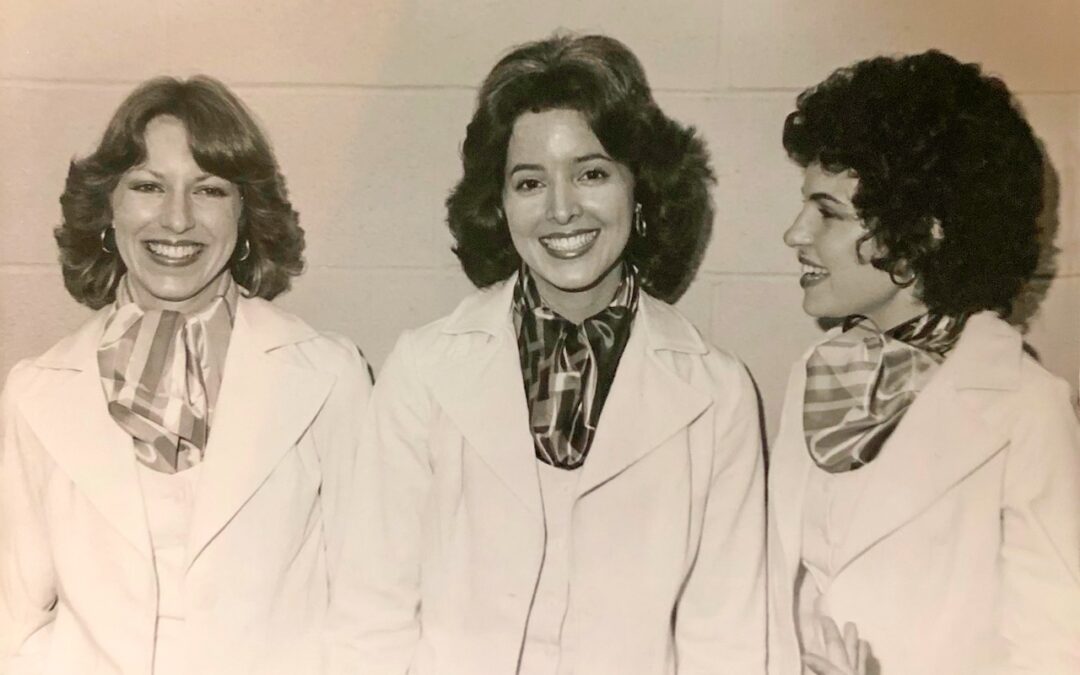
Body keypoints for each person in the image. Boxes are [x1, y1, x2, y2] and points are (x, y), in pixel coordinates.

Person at [327, 33, 766, 675]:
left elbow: (727, 638)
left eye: (591, 173)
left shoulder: (718, 390)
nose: (562, 210)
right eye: (529, 182)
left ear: (639, 188)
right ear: (499, 204)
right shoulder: (423, 368)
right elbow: (370, 618)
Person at [0, 76, 371, 675]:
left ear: (246, 212)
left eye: (210, 190)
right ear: (108, 208)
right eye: (148, 186)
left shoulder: (330, 374)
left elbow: (369, 611)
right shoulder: (34, 390)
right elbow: (10, 622)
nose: (176, 220)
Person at [768, 50, 1080, 675]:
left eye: (828, 211)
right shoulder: (815, 372)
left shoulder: (1027, 405)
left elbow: (1055, 652)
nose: (795, 234)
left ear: (922, 232)